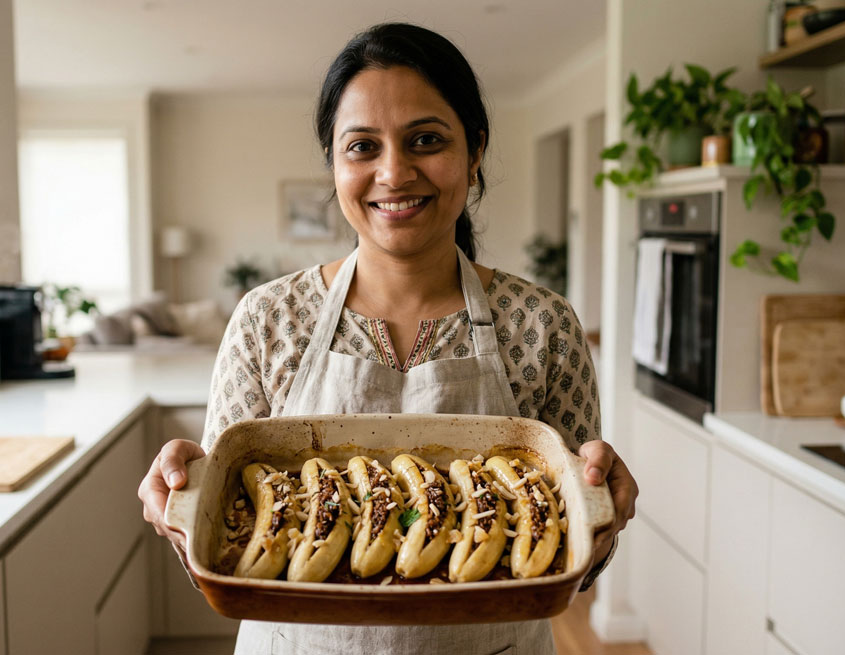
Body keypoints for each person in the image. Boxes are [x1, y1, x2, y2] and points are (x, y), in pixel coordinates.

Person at [138, 22, 639, 655]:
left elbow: (573, 557)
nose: (394, 172)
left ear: (475, 151)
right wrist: (179, 500)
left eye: (426, 140)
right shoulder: (268, 319)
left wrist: (605, 514)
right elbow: (222, 540)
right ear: (334, 163)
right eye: (362, 147)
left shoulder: (542, 325)